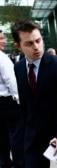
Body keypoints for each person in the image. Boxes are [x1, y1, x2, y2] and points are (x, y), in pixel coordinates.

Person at [11, 20, 57, 168]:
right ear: (18, 46)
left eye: (38, 40)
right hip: (32, 136)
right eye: (29, 43)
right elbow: (25, 103)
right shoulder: (19, 68)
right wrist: (24, 134)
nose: (36, 47)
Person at [0, 30, 24, 168]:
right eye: (1, 38)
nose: (3, 41)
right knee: (16, 135)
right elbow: (12, 81)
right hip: (8, 102)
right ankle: (19, 164)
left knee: (1, 136)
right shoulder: (2, 58)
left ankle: (4, 163)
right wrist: (20, 101)